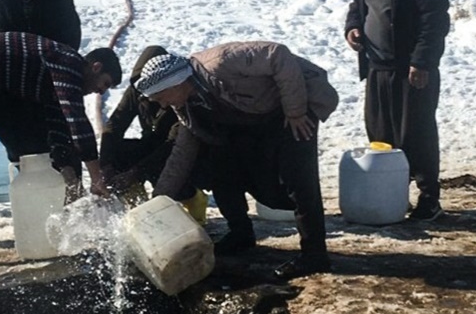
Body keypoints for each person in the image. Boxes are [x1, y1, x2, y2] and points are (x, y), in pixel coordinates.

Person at [134, 42, 339, 279]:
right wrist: (157, 204)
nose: (162, 105)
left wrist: (296, 111)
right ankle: (240, 234)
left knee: (299, 178)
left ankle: (315, 256)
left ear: (175, 83)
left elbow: (278, 54)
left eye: (161, 97)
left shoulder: (219, 63)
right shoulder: (188, 106)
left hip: (294, 104)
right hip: (257, 118)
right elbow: (181, 155)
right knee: (221, 165)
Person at [0, 32, 121, 271]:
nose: (100, 92)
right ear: (95, 67)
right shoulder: (68, 64)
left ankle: (38, 233)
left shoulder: (60, 78)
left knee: (31, 152)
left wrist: (68, 172)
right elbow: (77, 122)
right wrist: (96, 178)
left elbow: (59, 126)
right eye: (105, 84)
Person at [344, 0, 450, 221]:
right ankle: (393, 193)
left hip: (411, 69)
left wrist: (422, 61)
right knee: (381, 133)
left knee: (416, 132)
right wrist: (353, 28)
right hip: (378, 66)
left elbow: (435, 20)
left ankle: (429, 198)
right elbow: (358, 8)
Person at [100, 46, 208, 223]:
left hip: (175, 151)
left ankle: (194, 198)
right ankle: (138, 208)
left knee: (167, 175)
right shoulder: (137, 90)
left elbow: (175, 143)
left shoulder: (178, 94)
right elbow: (114, 125)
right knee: (118, 152)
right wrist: (106, 166)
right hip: (150, 143)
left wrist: (136, 172)